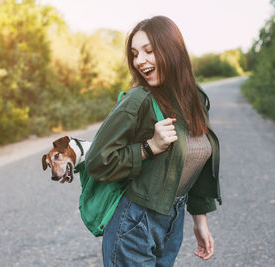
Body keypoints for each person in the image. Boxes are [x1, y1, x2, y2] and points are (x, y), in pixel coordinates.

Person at [85, 15, 221, 267]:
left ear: (173, 50)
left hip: (173, 220)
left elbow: (198, 162)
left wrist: (199, 220)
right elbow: (97, 161)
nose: (139, 61)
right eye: (135, 54)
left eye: (149, 51)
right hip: (135, 220)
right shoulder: (139, 100)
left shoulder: (196, 99)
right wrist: (149, 148)